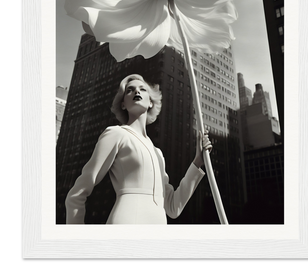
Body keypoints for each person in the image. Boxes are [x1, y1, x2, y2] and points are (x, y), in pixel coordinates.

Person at [65, 74, 212, 224]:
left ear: (150, 103)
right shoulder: (116, 134)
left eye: (143, 89)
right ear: (123, 104)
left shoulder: (157, 153)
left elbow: (173, 208)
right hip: (126, 222)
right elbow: (77, 195)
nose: (137, 92)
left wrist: (198, 161)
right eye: (130, 90)